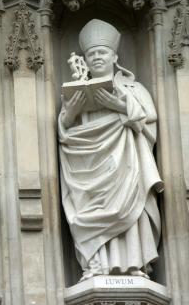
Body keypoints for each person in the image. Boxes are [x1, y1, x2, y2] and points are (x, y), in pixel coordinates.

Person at [58, 19, 163, 282]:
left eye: (102, 53)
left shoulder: (133, 88)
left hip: (124, 164)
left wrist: (118, 105)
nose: (97, 58)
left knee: (127, 206)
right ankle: (96, 266)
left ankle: (131, 265)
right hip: (88, 167)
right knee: (90, 211)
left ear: (114, 56)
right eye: (91, 54)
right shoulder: (76, 91)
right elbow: (64, 131)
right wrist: (69, 113)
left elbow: (148, 121)